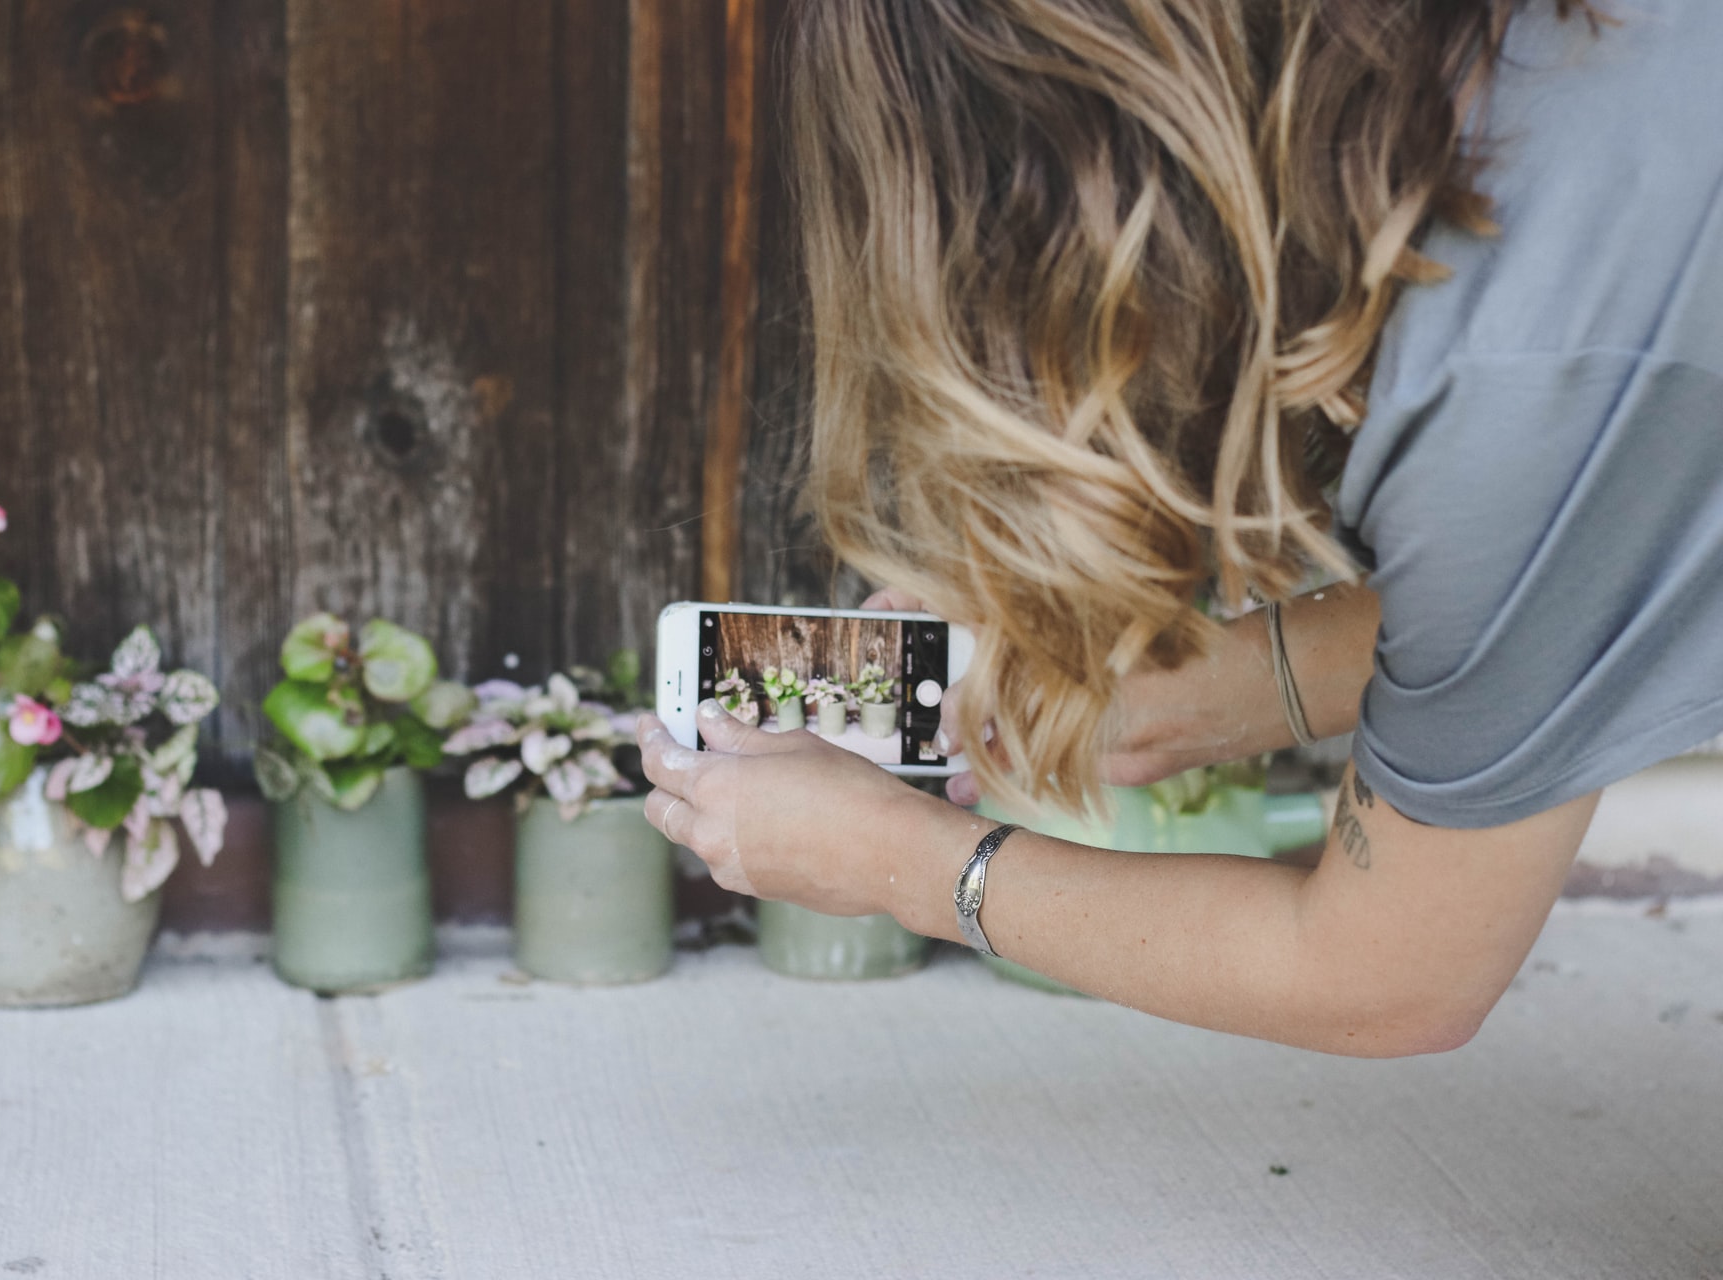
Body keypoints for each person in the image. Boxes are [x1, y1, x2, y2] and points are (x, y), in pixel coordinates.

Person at [638, 0, 1723, 1056]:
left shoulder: (1508, 376)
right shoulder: (1530, 106)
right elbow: (1596, 562)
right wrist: (1222, 690)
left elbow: (1384, 979)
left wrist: (907, 864)